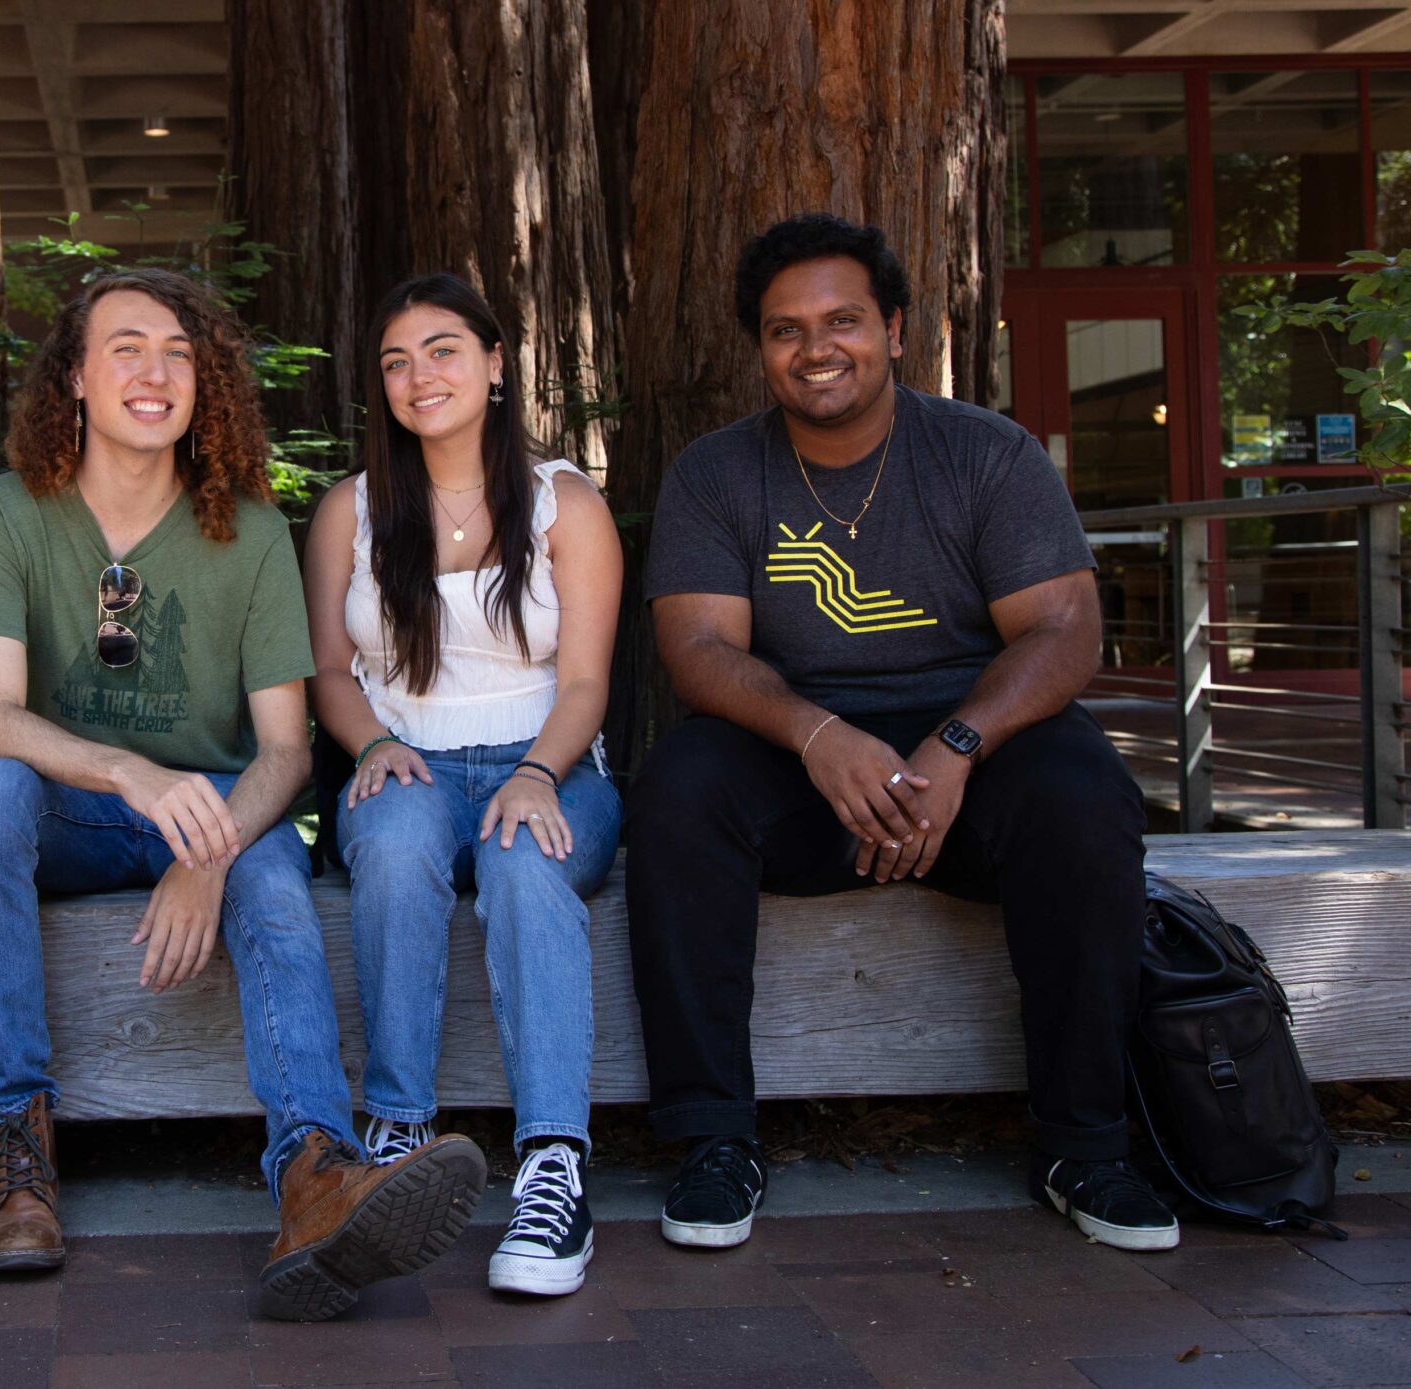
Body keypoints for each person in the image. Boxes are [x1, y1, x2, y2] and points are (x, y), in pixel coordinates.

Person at [0, 267, 487, 1321]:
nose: (155, 373)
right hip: (80, 803)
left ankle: (313, 1176)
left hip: (217, 812)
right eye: (128, 348)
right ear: (75, 381)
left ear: (206, 387)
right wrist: (131, 773)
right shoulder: (11, 511)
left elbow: (285, 752)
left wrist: (205, 854)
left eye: (179, 354)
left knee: (273, 888)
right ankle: (17, 1150)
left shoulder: (242, 524)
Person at [628, 214, 1176, 1255]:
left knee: (1083, 792)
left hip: (969, 766)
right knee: (680, 789)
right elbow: (696, 648)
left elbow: (1064, 632)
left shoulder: (984, 453)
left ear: (892, 329)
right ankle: (711, 1141)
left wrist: (956, 748)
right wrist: (817, 734)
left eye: (841, 320)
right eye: (784, 329)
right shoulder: (716, 472)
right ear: (760, 348)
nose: (814, 347)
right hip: (799, 769)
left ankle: (1084, 1144)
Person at [303, 274, 623, 1297]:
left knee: (526, 867)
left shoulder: (564, 501)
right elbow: (329, 673)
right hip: (404, 756)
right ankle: (395, 1133)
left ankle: (552, 1168)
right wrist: (365, 747)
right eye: (395, 362)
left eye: (441, 350)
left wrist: (536, 774)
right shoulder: (350, 510)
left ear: (494, 363)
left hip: (552, 757)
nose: (417, 377)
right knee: (395, 850)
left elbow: (583, 681)